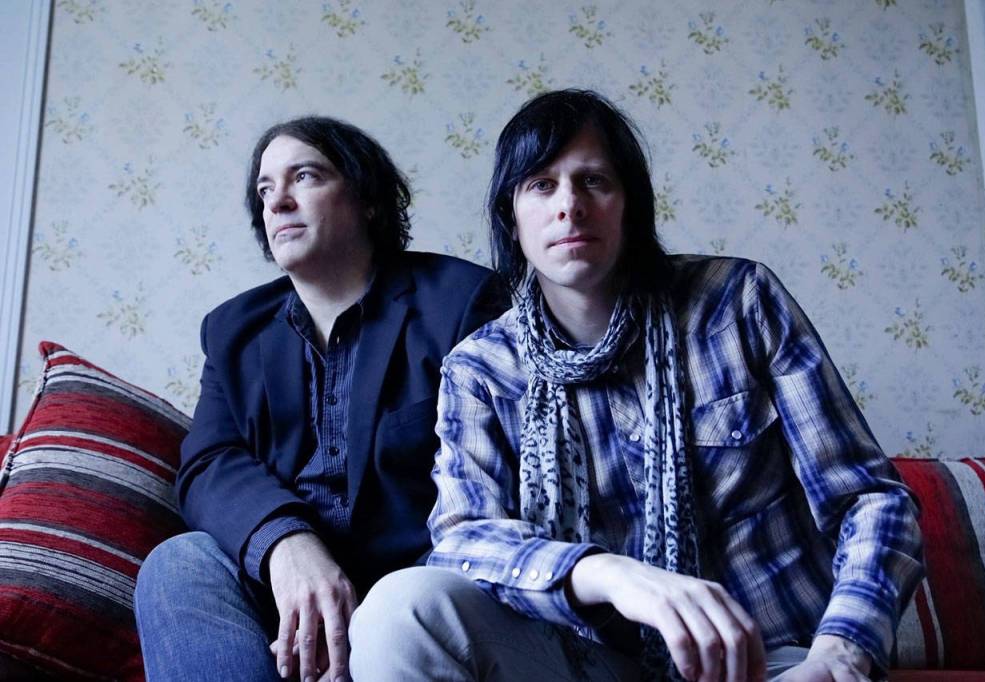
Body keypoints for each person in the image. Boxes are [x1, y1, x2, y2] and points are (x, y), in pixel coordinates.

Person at [348, 90, 924, 682]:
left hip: (769, 659)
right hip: (581, 660)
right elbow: (465, 540)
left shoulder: (738, 303)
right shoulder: (481, 368)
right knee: (399, 611)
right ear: (511, 220)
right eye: (541, 185)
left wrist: (841, 654)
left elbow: (870, 500)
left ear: (631, 206)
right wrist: (611, 575)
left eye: (593, 181)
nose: (569, 207)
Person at [133, 115, 504, 682]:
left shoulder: (461, 301)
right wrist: (286, 543)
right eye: (265, 189)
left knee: (409, 608)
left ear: (368, 200)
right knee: (178, 563)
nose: (277, 202)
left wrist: (366, 619)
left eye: (304, 176)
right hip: (283, 586)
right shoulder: (233, 330)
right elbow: (209, 462)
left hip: (414, 587)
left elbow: (489, 486)